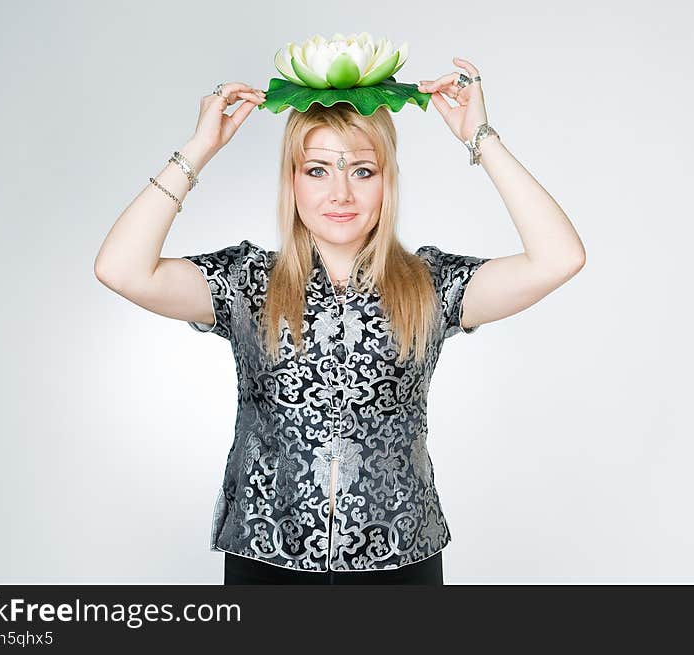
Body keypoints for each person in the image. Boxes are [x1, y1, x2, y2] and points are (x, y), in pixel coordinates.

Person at [94, 56, 585, 585]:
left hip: (400, 560)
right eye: (318, 170)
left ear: (386, 180)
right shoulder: (247, 283)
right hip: (266, 559)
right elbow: (121, 269)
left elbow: (559, 257)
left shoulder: (429, 285)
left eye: (362, 171)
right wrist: (199, 150)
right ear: (293, 181)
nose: (341, 194)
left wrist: (480, 137)